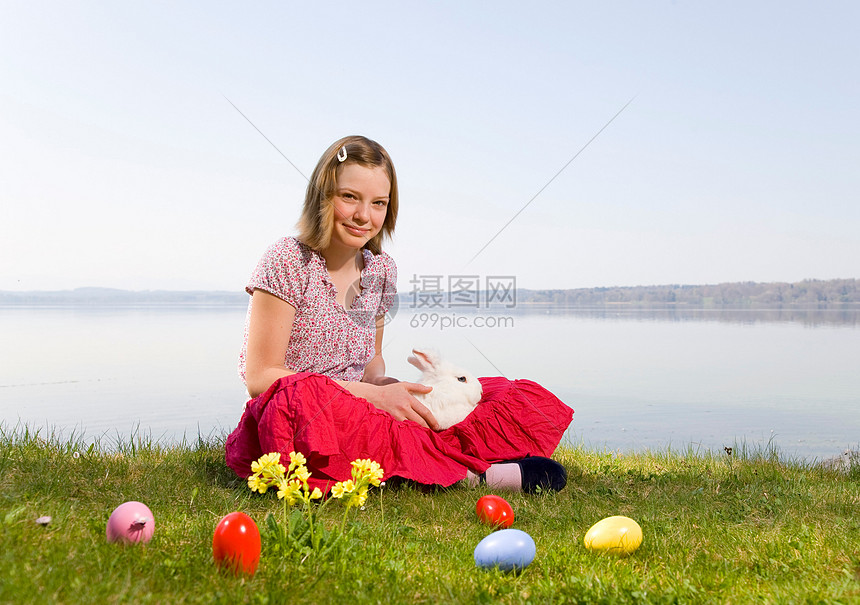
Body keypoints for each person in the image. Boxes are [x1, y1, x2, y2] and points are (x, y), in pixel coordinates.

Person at [225, 135, 574, 494]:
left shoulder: (382, 270)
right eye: (349, 197)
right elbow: (262, 377)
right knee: (297, 398)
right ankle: (472, 476)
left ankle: (433, 457)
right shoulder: (288, 260)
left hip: (360, 405)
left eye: (378, 203)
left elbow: (372, 359)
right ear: (323, 197)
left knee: (495, 393)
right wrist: (367, 395)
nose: (364, 216)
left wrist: (383, 386)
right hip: (302, 415)